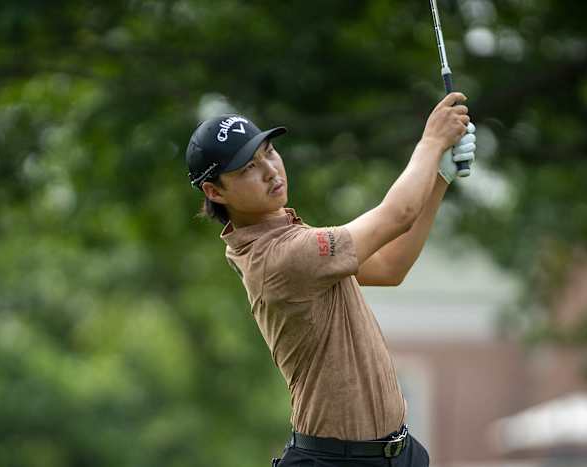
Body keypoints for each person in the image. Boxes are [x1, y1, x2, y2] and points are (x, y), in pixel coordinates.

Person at [185, 93, 476, 466]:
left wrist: (439, 176)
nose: (271, 171)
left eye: (270, 153)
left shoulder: (291, 237)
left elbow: (390, 267)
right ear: (214, 191)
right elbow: (398, 214)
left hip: (399, 455)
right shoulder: (281, 257)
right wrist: (432, 141)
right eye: (247, 169)